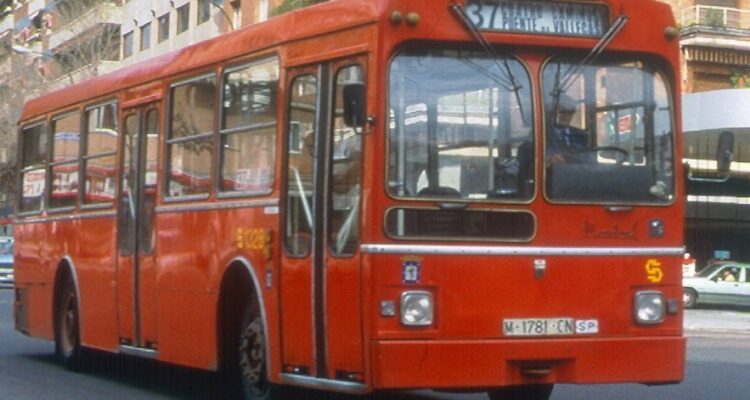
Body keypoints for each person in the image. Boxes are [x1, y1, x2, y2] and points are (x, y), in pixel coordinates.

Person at [546, 94, 590, 165]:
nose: (566, 115)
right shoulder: (541, 134)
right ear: (553, 112)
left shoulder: (582, 135)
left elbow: (589, 161)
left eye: (570, 112)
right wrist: (548, 160)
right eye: (562, 111)